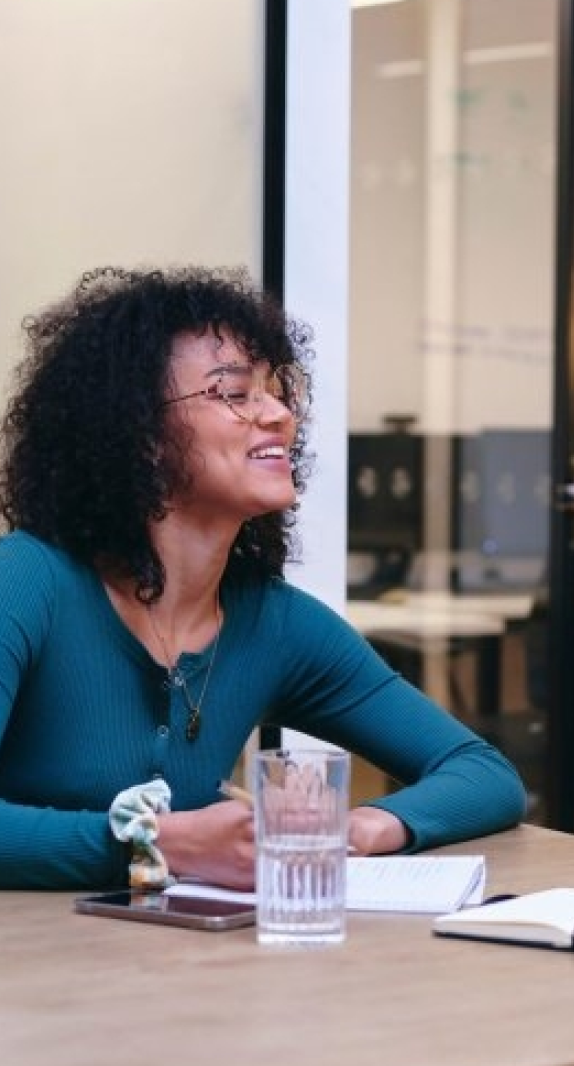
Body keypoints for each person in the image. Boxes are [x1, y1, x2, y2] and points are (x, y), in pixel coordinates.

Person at [0, 265, 526, 891]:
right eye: (234, 393)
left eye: (277, 392)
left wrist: (359, 828)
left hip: (167, 967)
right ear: (139, 433)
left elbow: (482, 772)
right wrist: (154, 845)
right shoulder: (26, 581)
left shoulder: (272, 621)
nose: (277, 413)